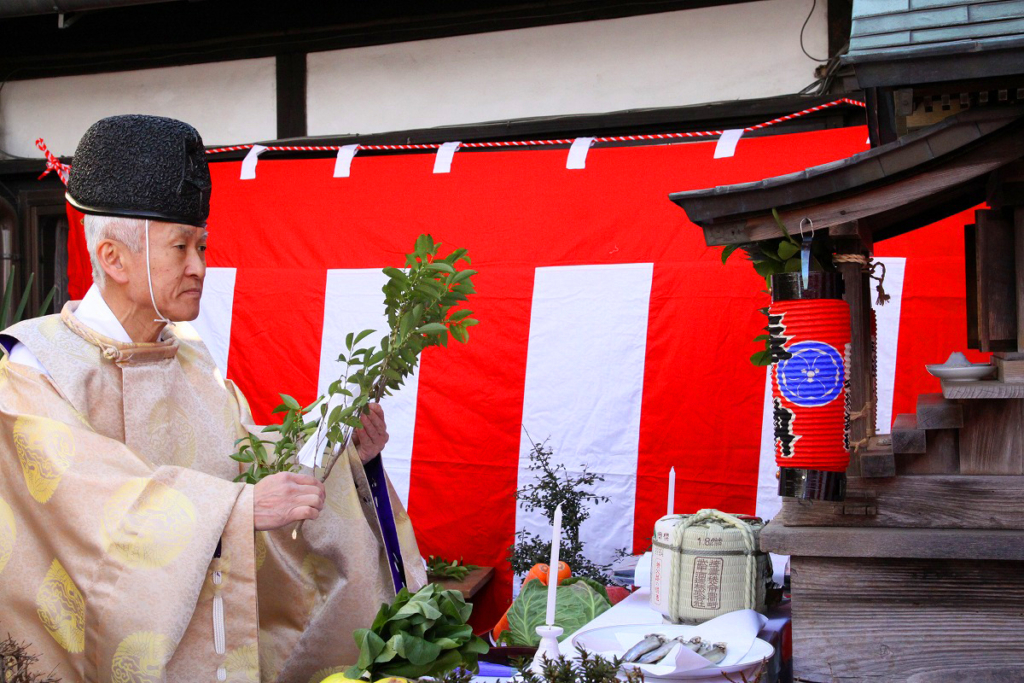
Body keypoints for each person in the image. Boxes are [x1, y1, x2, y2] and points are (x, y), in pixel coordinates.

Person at [0, 115, 426, 683]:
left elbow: (247, 457)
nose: (200, 267)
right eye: (181, 247)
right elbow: (87, 509)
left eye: (202, 245)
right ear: (112, 258)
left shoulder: (190, 356)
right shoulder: (38, 366)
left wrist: (341, 455)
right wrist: (236, 509)